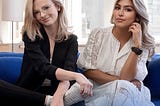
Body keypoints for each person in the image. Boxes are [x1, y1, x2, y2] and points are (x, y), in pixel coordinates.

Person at [64, 0, 155, 106]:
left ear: (138, 16)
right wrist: (119, 81)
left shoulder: (142, 43)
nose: (120, 13)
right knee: (123, 86)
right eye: (117, 8)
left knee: (124, 89)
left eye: (128, 9)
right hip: (96, 89)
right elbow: (88, 71)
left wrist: (136, 47)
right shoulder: (98, 34)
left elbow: (127, 78)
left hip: (129, 93)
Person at [16, 0, 93, 105]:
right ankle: (47, 101)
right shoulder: (30, 35)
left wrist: (59, 95)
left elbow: (68, 69)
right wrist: (77, 76)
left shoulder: (71, 40)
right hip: (30, 92)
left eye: (46, 8)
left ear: (58, 6)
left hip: (57, 91)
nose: (42, 15)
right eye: (36, 12)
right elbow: (43, 67)